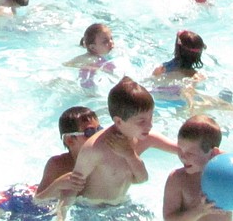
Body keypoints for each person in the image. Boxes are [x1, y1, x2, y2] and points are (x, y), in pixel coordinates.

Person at [57, 76, 178, 212]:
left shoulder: (145, 138)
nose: (150, 125)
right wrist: (61, 216)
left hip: (123, 204)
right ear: (119, 121)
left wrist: (130, 154)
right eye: (141, 121)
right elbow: (72, 188)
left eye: (151, 117)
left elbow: (143, 178)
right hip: (91, 210)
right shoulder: (94, 149)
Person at [163, 115, 233, 221]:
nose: (182, 156)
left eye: (190, 153)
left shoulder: (229, 176)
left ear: (213, 153)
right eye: (179, 149)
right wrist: (199, 211)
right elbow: (168, 218)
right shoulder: (177, 179)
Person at [35, 106, 102, 202]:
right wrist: (57, 185)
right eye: (89, 132)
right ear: (70, 140)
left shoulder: (108, 157)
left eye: (99, 130)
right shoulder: (58, 165)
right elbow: (37, 201)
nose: (98, 135)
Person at [64, 23, 118, 90]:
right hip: (87, 90)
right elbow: (67, 64)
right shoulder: (90, 58)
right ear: (92, 47)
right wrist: (93, 68)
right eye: (105, 41)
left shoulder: (108, 53)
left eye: (111, 38)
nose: (111, 42)